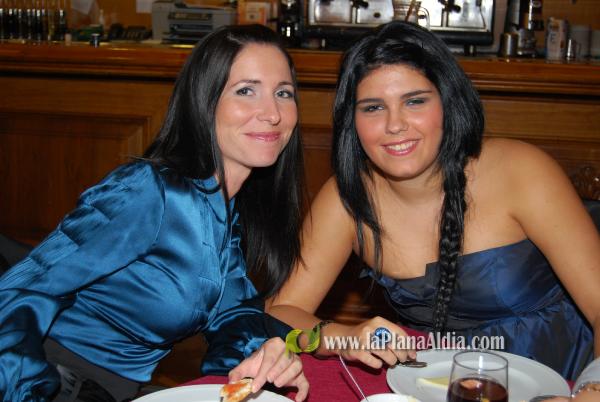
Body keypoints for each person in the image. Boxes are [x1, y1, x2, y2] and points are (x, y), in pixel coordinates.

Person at [266, 20, 600, 381]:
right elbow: (280, 311)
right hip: (437, 382)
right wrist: (342, 337)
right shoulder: (347, 198)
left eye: (415, 101)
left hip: (564, 374)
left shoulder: (522, 171)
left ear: (447, 102)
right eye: (373, 108)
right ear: (352, 121)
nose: (395, 125)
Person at [0, 24, 309, 402]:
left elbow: (232, 313)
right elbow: (21, 289)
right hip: (51, 381)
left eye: (283, 93)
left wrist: (261, 354)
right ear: (204, 101)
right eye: (246, 90)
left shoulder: (222, 208)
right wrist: (29, 390)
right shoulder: (149, 191)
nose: (273, 113)